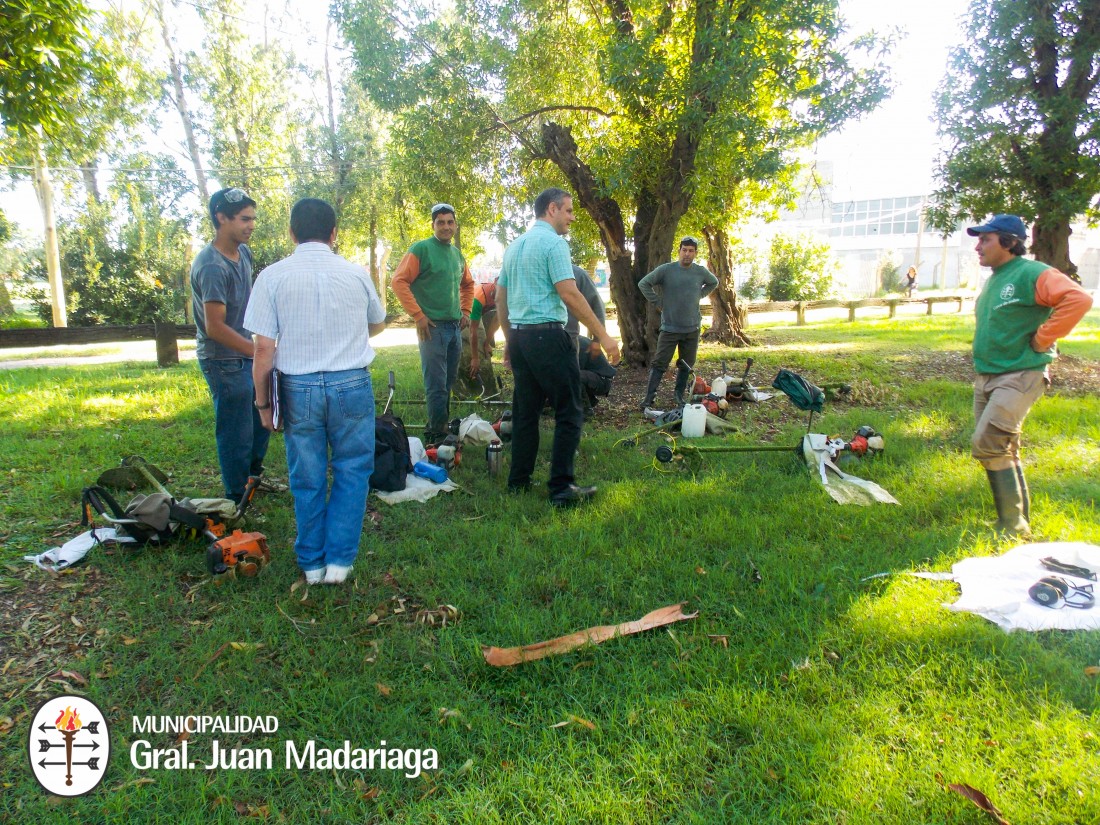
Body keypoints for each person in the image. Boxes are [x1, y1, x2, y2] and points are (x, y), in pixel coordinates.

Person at [245, 198, 387, 585]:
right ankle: (340, 563)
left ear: (291, 233)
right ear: (334, 233)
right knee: (352, 470)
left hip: (298, 387)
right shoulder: (355, 273)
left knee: (306, 475)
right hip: (352, 383)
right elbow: (376, 322)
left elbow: (263, 349)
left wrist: (262, 403)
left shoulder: (271, 277)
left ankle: (311, 563)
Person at [967, 214, 1093, 538]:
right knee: (1003, 447)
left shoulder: (1032, 272)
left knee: (988, 443)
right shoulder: (996, 277)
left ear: (1009, 242)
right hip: (989, 375)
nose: (978, 246)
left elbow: (1078, 299)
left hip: (1021, 373)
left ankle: (1012, 525)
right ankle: (1014, 521)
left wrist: (1042, 338)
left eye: (986, 239)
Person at [497, 187, 620, 507]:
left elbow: (500, 299)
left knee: (526, 412)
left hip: (522, 338)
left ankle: (518, 481)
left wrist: (510, 340)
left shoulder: (515, 247)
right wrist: (603, 337)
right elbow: (569, 293)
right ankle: (562, 488)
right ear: (552, 209)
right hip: (549, 338)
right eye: (568, 210)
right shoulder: (554, 243)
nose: (572, 217)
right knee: (569, 410)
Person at [191, 187, 271, 504]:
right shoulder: (212, 266)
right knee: (236, 431)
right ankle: (236, 495)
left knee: (260, 423)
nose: (251, 225)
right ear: (221, 218)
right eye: (244, 219)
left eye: (253, 218)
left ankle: (252, 479)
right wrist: (257, 352)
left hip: (246, 354)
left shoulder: (243, 253)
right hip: (223, 360)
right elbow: (214, 328)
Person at [391, 203, 475, 443]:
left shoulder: (457, 255)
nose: (446, 227)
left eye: (450, 222)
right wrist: (418, 316)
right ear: (433, 225)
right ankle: (436, 436)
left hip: (454, 328)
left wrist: (466, 310)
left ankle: (440, 426)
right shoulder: (421, 249)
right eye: (441, 222)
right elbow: (398, 281)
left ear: (455, 226)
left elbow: (468, 284)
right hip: (432, 328)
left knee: (447, 383)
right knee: (436, 384)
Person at [637, 236, 719, 408]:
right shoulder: (667, 270)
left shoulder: (700, 272)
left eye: (691, 251)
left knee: (686, 364)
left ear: (695, 253)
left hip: (692, 328)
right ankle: (648, 398)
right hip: (670, 328)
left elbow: (713, 282)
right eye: (684, 250)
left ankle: (678, 395)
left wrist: (699, 295)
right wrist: (658, 303)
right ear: (679, 251)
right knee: (660, 363)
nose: (687, 254)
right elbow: (644, 284)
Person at [457, 280, 498, 397]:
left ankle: (489, 392)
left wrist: (487, 343)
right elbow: (472, 330)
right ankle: (474, 392)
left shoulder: (506, 294)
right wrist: (475, 358)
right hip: (462, 311)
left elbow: (497, 320)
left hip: (475, 316)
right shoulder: (478, 298)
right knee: (474, 354)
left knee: (482, 348)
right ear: (494, 285)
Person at [577, 334, 617, 419]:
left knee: (574, 376)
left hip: (603, 380)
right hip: (592, 377)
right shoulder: (574, 341)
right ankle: (589, 401)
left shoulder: (580, 344)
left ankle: (586, 411)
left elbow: (577, 368)